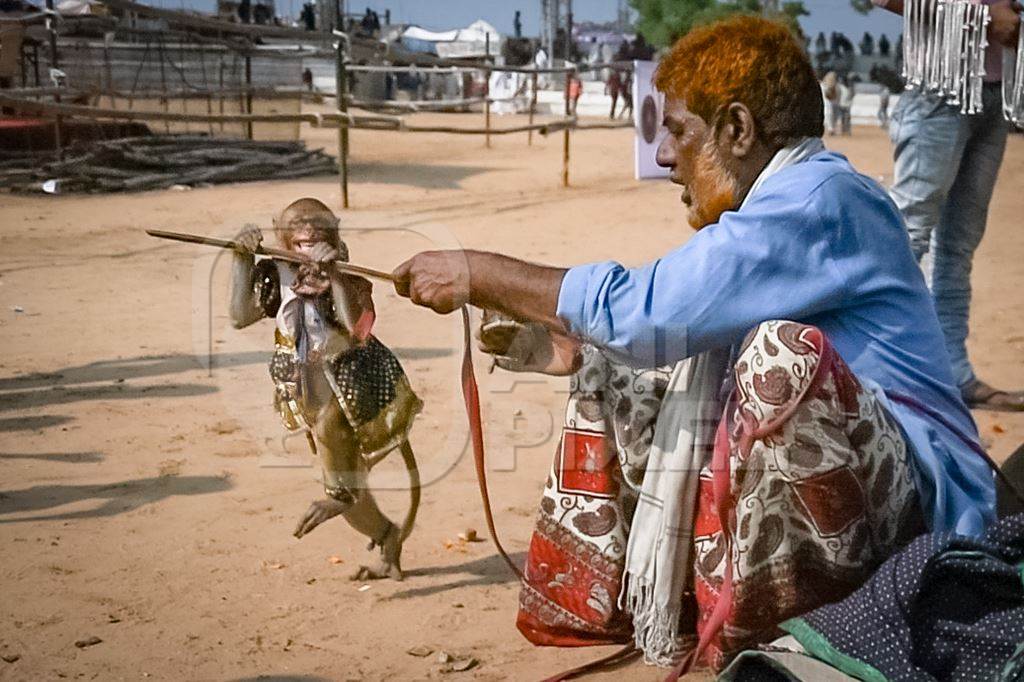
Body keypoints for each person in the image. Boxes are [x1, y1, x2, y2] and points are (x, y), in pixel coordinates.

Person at [391, 16, 995, 669]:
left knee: (777, 357)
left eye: (679, 131)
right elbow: (655, 323)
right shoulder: (791, 202)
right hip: (878, 487)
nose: (663, 156)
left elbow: (645, 314)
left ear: (737, 129)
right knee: (621, 351)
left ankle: (796, 628)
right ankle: (636, 603)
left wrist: (476, 272)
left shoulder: (819, 198)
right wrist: (575, 348)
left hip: (933, 516)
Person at [229, 198, 423, 580]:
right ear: (278, 230)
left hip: (354, 386)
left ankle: (342, 498)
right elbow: (239, 316)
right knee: (351, 485)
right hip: (306, 389)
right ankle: (386, 537)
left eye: (319, 225)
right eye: (298, 224)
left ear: (335, 233)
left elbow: (356, 330)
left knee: (338, 460)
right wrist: (240, 259)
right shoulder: (274, 275)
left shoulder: (349, 277)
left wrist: (333, 275)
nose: (309, 230)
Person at [875, 0, 1024, 410]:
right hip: (938, 90)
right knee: (908, 235)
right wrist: (983, 16)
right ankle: (883, 374)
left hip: (993, 93)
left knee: (958, 246)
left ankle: (953, 375)